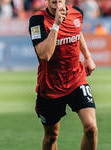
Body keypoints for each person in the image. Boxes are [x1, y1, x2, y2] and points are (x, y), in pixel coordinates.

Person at [28, 0, 98, 150]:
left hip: (76, 79)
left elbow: (77, 32)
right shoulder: (37, 21)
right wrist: (56, 24)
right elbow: (45, 55)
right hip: (50, 86)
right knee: (51, 137)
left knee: (91, 128)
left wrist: (87, 56)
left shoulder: (77, 13)